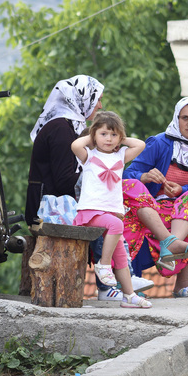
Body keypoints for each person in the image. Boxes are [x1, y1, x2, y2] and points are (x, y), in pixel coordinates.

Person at [24, 75, 153, 300]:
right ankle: (107, 284)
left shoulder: (68, 125)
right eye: (97, 99)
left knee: (111, 209)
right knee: (103, 214)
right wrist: (97, 173)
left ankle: (123, 276)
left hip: (58, 200)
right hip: (48, 206)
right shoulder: (61, 129)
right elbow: (65, 179)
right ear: (81, 98)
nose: (100, 105)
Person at [123, 97, 188, 297]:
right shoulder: (159, 142)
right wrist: (145, 176)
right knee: (133, 201)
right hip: (156, 208)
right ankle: (169, 249)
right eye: (184, 118)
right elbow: (127, 175)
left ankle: (182, 282)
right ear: (176, 119)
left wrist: (181, 190)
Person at [71, 111, 151, 308]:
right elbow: (75, 145)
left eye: (113, 135)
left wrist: (121, 138)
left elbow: (140, 144)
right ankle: (104, 265)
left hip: (110, 214)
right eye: (104, 134)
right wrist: (93, 135)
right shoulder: (89, 156)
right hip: (89, 213)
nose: (109, 139)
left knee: (122, 258)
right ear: (94, 135)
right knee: (117, 225)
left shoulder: (121, 156)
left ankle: (129, 295)